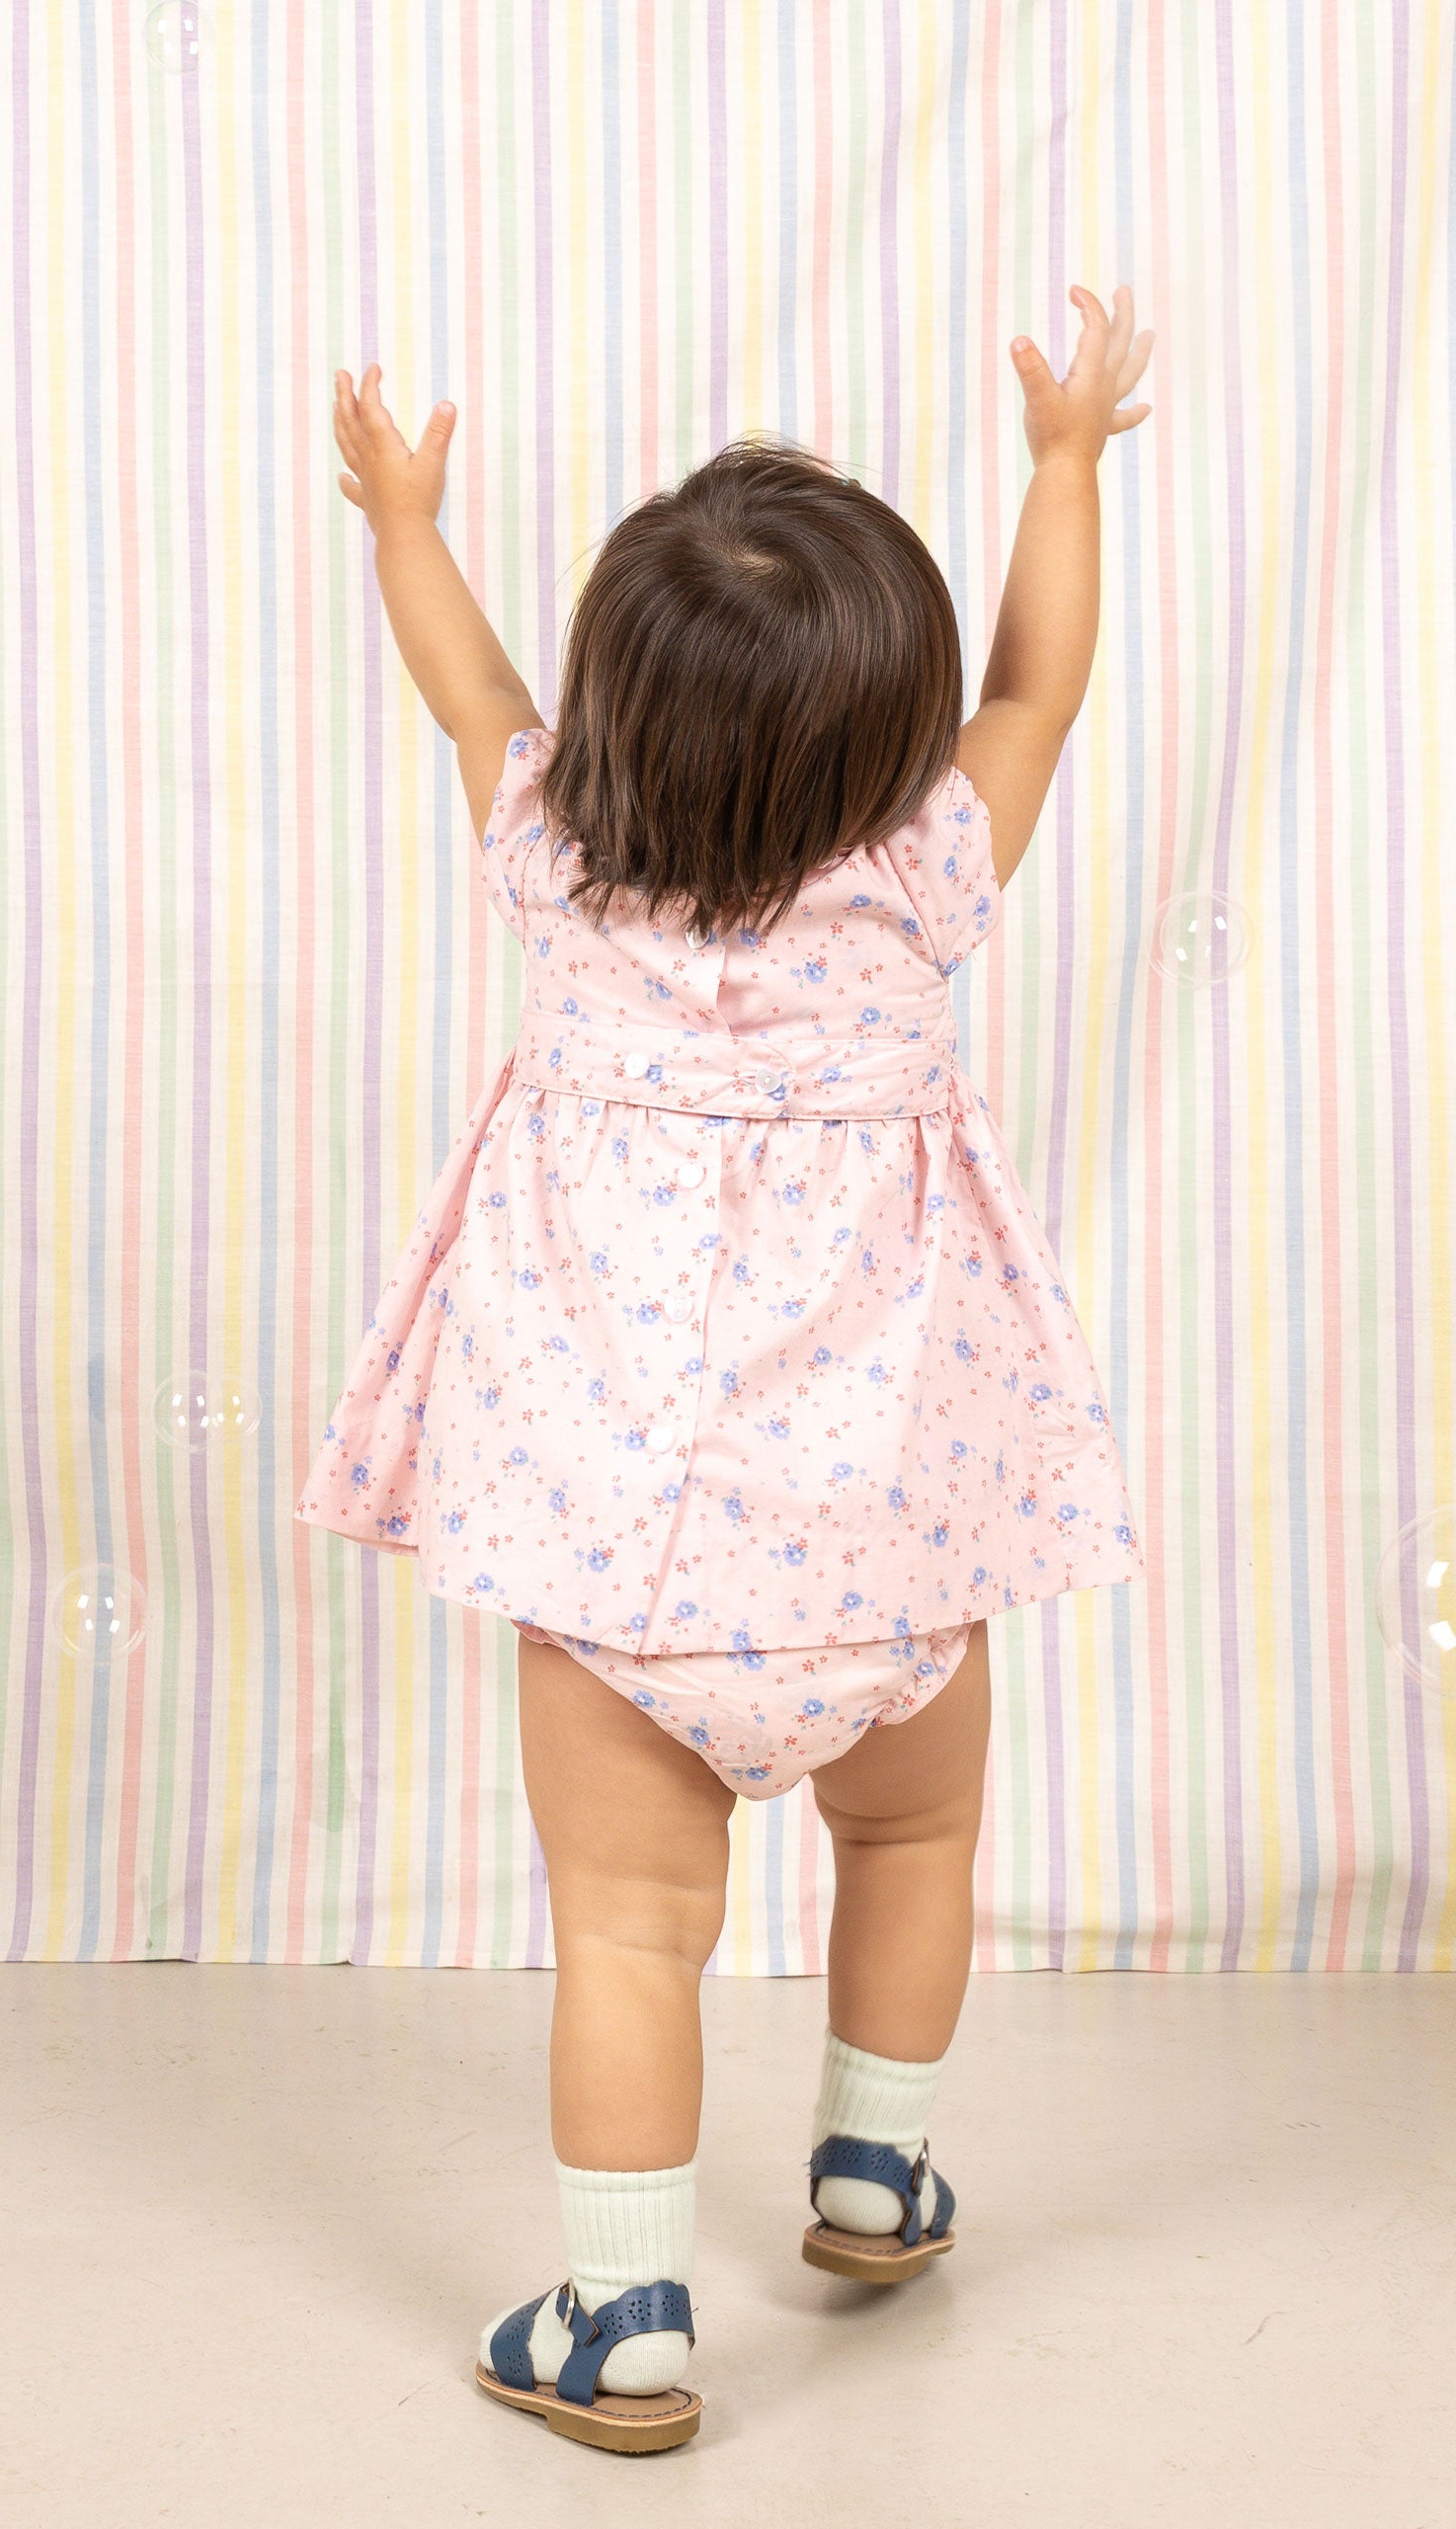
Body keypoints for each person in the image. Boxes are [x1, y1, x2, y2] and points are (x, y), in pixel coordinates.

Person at [295, 286, 1155, 2456]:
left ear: (615, 725)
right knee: (922, 1829)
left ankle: (621, 2315)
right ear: (891, 741)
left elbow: (463, 678)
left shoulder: (557, 861)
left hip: (618, 1567)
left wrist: (404, 510)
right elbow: (1044, 678)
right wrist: (1063, 464)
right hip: (893, 1544)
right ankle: (874, 2167)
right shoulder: (924, 879)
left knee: (627, 1927)